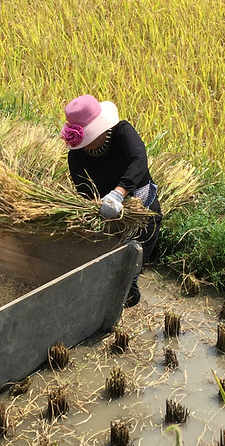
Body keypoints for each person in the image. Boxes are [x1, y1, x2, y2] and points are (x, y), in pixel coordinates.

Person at [60, 94, 162, 308]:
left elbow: (139, 161)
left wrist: (118, 193)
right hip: (107, 213)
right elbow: (84, 189)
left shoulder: (122, 133)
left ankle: (128, 291)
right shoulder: (76, 155)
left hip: (140, 207)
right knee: (108, 258)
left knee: (133, 260)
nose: (86, 146)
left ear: (101, 127)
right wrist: (95, 208)